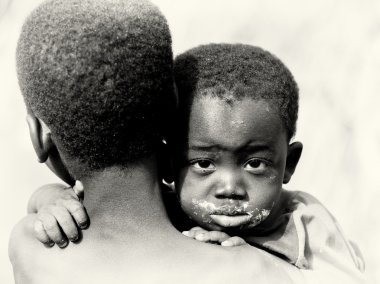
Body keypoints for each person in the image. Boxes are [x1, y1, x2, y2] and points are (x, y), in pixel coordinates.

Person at [8, 0, 311, 283]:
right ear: (174, 110)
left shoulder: (31, 247)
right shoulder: (260, 270)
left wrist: (48, 197)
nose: (229, 189)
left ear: (38, 137)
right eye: (206, 163)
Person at [23, 41, 365, 281]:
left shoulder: (307, 225)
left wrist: (251, 259)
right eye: (203, 164)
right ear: (169, 164)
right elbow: (75, 195)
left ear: (288, 164)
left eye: (255, 164)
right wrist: (53, 199)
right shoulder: (166, 205)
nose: (230, 188)